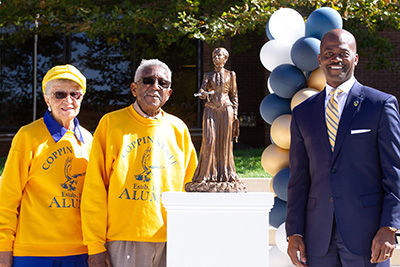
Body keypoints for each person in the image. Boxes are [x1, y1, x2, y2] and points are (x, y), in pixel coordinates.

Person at [286, 28, 400, 267]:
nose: (335, 59)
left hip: (368, 237)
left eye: (343, 53)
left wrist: (390, 226)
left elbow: (394, 171)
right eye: (328, 53)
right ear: (319, 60)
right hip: (318, 238)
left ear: (355, 58)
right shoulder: (302, 113)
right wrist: (294, 232)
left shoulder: (380, 105)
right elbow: (298, 178)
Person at [81, 59, 197, 267]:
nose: (155, 86)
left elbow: (191, 186)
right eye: (148, 80)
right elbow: (94, 189)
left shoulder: (178, 129)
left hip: (171, 239)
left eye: (163, 83)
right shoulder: (111, 124)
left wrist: (190, 235)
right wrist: (95, 245)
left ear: (169, 93)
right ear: (134, 89)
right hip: (124, 239)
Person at [0, 64, 93, 267]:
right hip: (33, 254)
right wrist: (3, 247)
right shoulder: (27, 136)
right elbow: (7, 198)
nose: (68, 101)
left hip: (80, 253)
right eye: (60, 94)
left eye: (75, 95)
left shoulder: (88, 140)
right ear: (46, 98)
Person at [185, 47, 245, 192]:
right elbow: (201, 91)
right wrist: (203, 94)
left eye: (218, 55)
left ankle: (225, 174)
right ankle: (206, 175)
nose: (215, 57)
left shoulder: (231, 75)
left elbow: (234, 95)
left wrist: (235, 114)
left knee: (225, 141)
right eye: (214, 55)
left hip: (226, 108)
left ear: (225, 58)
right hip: (211, 108)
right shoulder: (208, 75)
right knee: (209, 139)